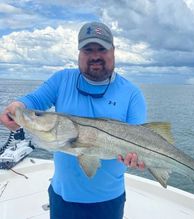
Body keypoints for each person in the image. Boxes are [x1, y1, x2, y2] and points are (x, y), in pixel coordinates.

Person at [0, 21, 146, 219]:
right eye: (88, 49)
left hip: (109, 202)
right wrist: (18, 107)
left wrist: (137, 159)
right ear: (79, 53)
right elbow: (33, 101)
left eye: (101, 49)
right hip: (63, 198)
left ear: (113, 51)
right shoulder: (62, 80)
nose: (95, 56)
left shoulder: (132, 94)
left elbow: (142, 139)